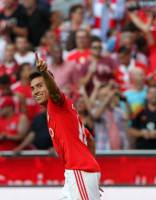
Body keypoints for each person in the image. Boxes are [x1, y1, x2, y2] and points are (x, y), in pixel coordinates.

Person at [29, 53, 101, 199]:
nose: (35, 91)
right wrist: (91, 170)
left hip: (79, 170)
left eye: (39, 85)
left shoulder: (57, 104)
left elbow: (55, 92)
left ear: (50, 84)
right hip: (75, 173)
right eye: (32, 88)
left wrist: (44, 72)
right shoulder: (61, 112)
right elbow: (91, 141)